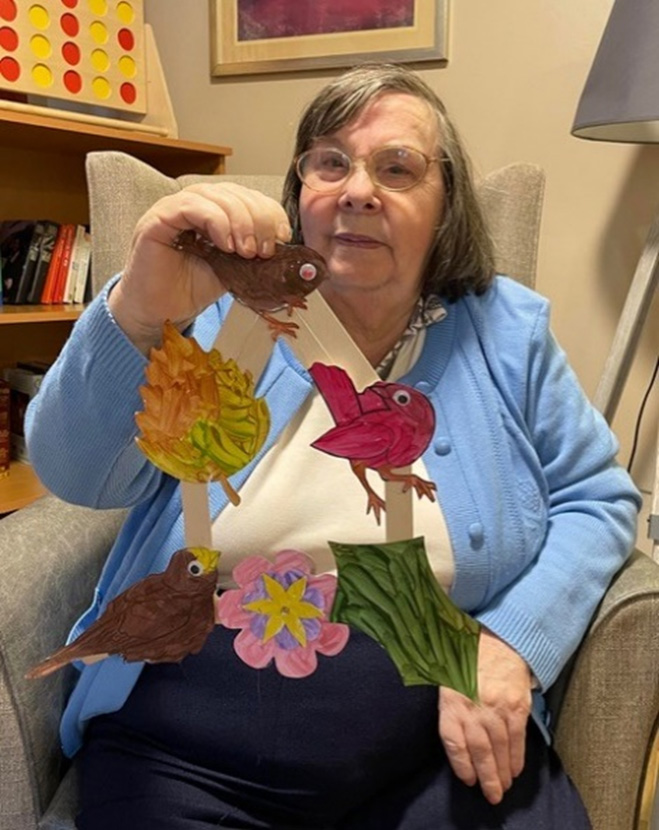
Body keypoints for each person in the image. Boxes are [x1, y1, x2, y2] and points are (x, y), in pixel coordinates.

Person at [26, 63, 640, 829]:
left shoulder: (506, 334)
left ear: (446, 205)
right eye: (330, 162)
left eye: (396, 167)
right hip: (185, 752)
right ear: (299, 195)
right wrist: (141, 314)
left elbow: (596, 497)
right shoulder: (210, 312)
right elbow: (76, 474)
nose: (357, 190)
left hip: (435, 751)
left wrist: (510, 645)